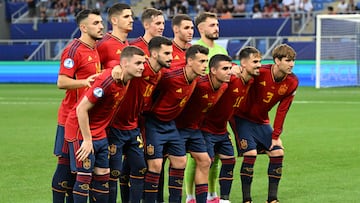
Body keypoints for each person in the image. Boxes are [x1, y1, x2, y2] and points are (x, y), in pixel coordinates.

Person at [64, 46, 146, 203]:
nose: (142, 67)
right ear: (125, 64)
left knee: (103, 177)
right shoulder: (108, 81)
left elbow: (117, 62)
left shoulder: (126, 79)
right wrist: (87, 140)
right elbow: (81, 109)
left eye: (143, 63)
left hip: (100, 133)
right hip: (81, 131)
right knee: (84, 179)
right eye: (138, 63)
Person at [107, 36, 173, 203]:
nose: (171, 57)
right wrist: (115, 67)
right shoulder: (140, 69)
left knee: (139, 168)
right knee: (113, 172)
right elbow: (121, 64)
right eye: (167, 53)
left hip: (134, 126)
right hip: (115, 126)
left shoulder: (160, 74)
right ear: (154, 54)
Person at [232, 44, 298, 203]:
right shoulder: (260, 72)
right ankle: (246, 199)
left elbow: (283, 110)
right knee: (250, 154)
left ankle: (272, 199)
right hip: (241, 118)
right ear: (277, 60)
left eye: (293, 61)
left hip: (261, 121)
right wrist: (234, 67)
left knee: (277, 152)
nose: (291, 64)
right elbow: (243, 67)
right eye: (288, 60)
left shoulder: (292, 82)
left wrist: (276, 136)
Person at [143, 44, 209, 203]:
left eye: (206, 61)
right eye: (201, 61)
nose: (205, 65)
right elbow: (150, 84)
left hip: (170, 124)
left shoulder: (195, 79)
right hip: (153, 122)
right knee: (156, 165)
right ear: (190, 61)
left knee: (180, 161)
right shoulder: (169, 77)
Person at [51, 8, 104, 203]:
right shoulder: (73, 49)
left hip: (86, 118)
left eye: (101, 22)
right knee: (66, 168)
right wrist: (84, 82)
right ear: (83, 27)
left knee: (77, 171)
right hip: (69, 119)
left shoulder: (94, 48)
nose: (101, 26)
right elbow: (61, 82)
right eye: (96, 23)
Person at [201, 47, 262, 203]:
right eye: (255, 62)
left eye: (260, 62)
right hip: (207, 128)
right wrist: (233, 67)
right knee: (205, 163)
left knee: (230, 161)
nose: (259, 65)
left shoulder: (251, 82)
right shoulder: (231, 79)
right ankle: (195, 197)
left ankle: (224, 199)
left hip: (222, 130)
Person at [176, 54, 232, 203]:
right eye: (225, 68)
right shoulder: (198, 84)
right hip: (177, 128)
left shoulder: (224, 86)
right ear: (213, 70)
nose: (229, 72)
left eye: (230, 68)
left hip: (195, 129)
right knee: (174, 163)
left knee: (205, 161)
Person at [186, 11, 229, 203]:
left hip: (217, 113)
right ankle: (190, 196)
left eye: (217, 25)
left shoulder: (221, 49)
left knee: (216, 157)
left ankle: (212, 194)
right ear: (201, 28)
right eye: (212, 25)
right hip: (199, 113)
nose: (216, 28)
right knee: (197, 157)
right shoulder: (195, 48)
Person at [97, 3, 133, 67]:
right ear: (114, 20)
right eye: (126, 17)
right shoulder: (104, 44)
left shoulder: (126, 43)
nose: (131, 20)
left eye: (131, 16)